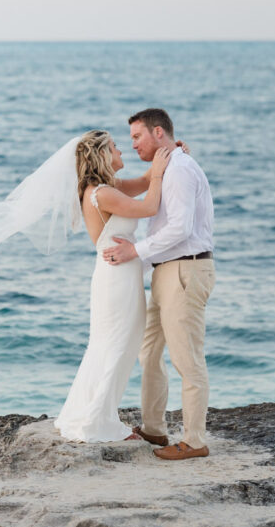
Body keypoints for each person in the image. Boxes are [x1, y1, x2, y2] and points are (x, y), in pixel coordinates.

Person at [102, 108, 215, 460]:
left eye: (138, 137)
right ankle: (154, 429)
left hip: (185, 271)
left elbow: (180, 228)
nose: (133, 144)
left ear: (159, 134)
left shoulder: (179, 170)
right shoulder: (167, 167)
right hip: (165, 272)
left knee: (187, 359)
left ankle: (195, 441)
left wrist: (135, 251)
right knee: (149, 352)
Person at [52, 129, 170, 442]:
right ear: (104, 154)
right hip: (116, 278)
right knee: (117, 344)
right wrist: (158, 175)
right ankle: (97, 422)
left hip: (121, 275)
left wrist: (166, 154)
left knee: (116, 343)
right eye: (117, 147)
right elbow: (149, 207)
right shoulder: (101, 193)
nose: (122, 151)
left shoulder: (108, 188)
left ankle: (95, 413)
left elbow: (144, 182)